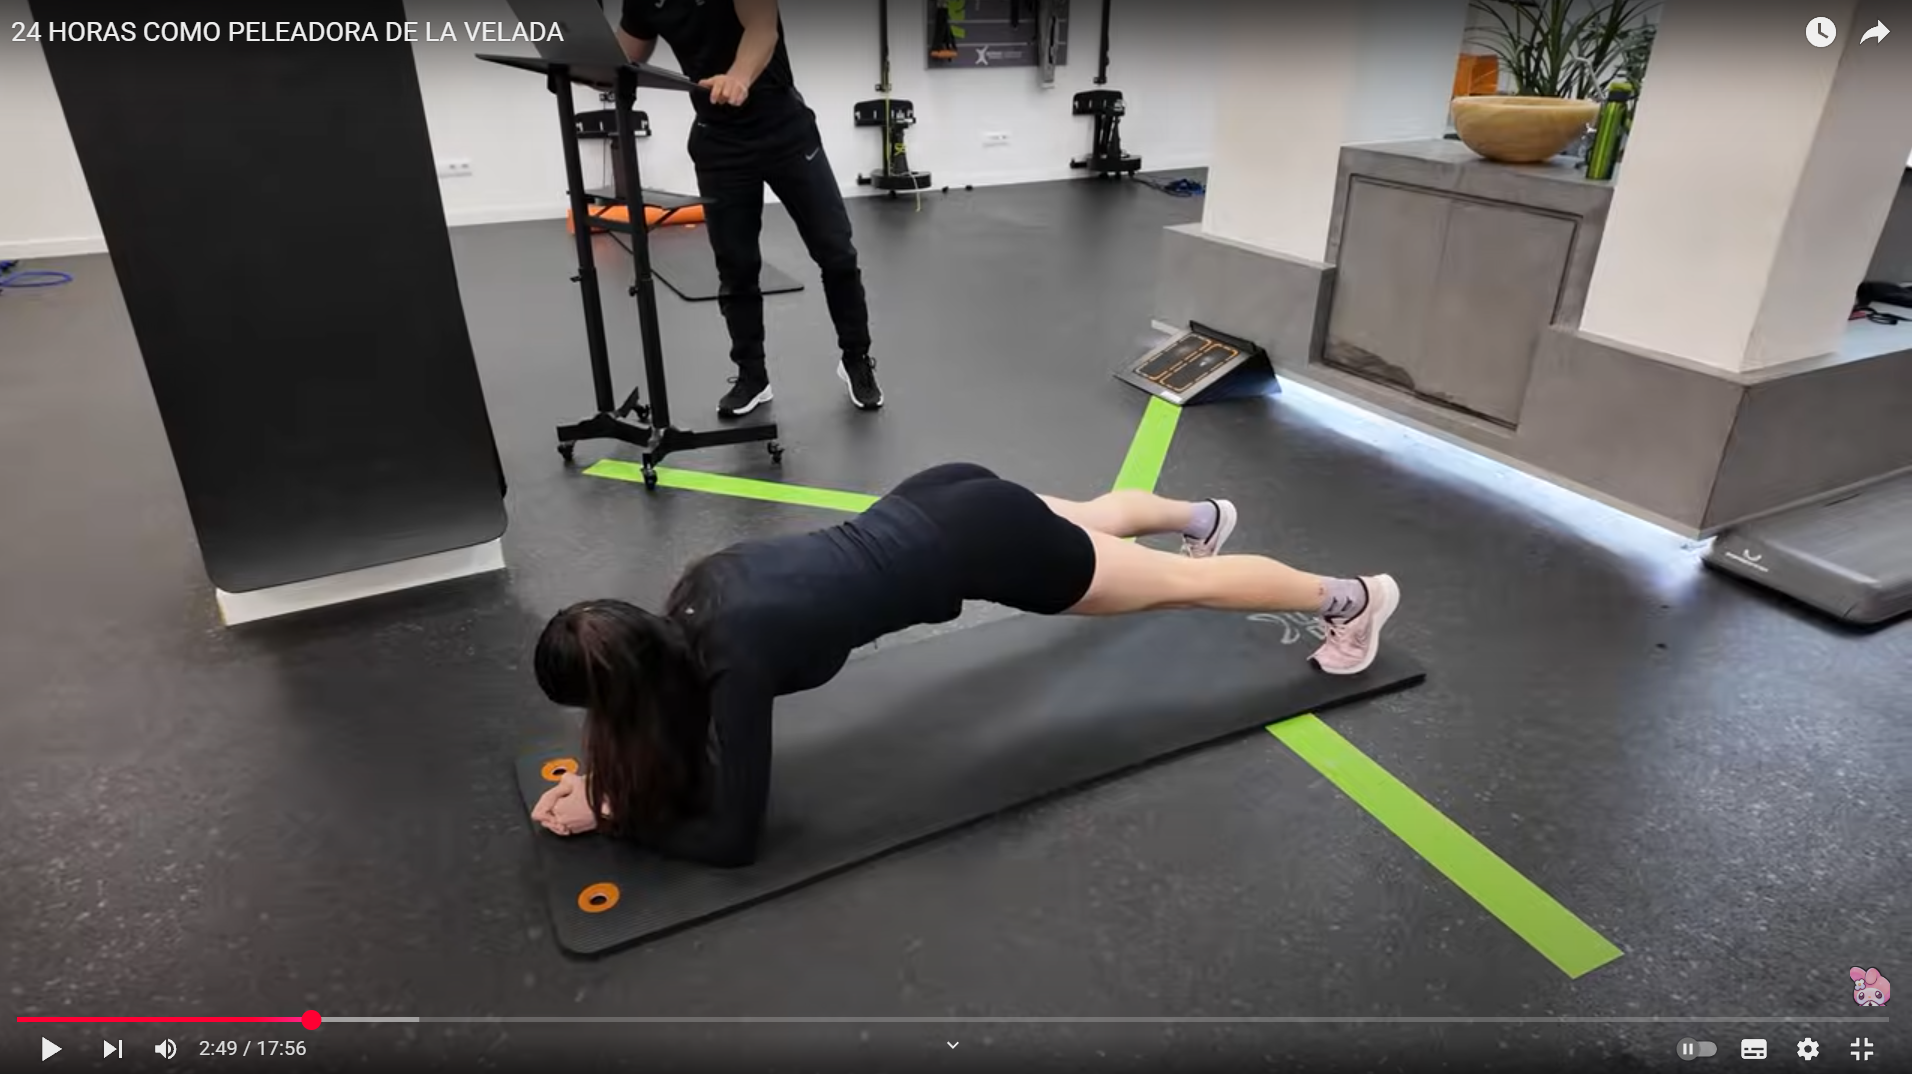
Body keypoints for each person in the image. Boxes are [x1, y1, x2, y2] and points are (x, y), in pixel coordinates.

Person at [530, 463, 1402, 867]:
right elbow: (671, 714)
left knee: (1181, 589)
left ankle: (1354, 599)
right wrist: (612, 780)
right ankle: (1204, 515)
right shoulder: (690, 594)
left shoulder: (738, 662)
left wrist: (617, 817)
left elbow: (733, 838)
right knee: (1094, 519)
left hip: (988, 547)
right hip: (937, 495)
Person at [615, 0, 883, 418]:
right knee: (736, 266)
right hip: (718, 141)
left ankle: (856, 359)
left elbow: (762, 29)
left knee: (836, 252)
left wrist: (739, 76)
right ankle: (752, 376)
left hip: (785, 130)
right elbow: (621, 57)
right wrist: (566, 51)